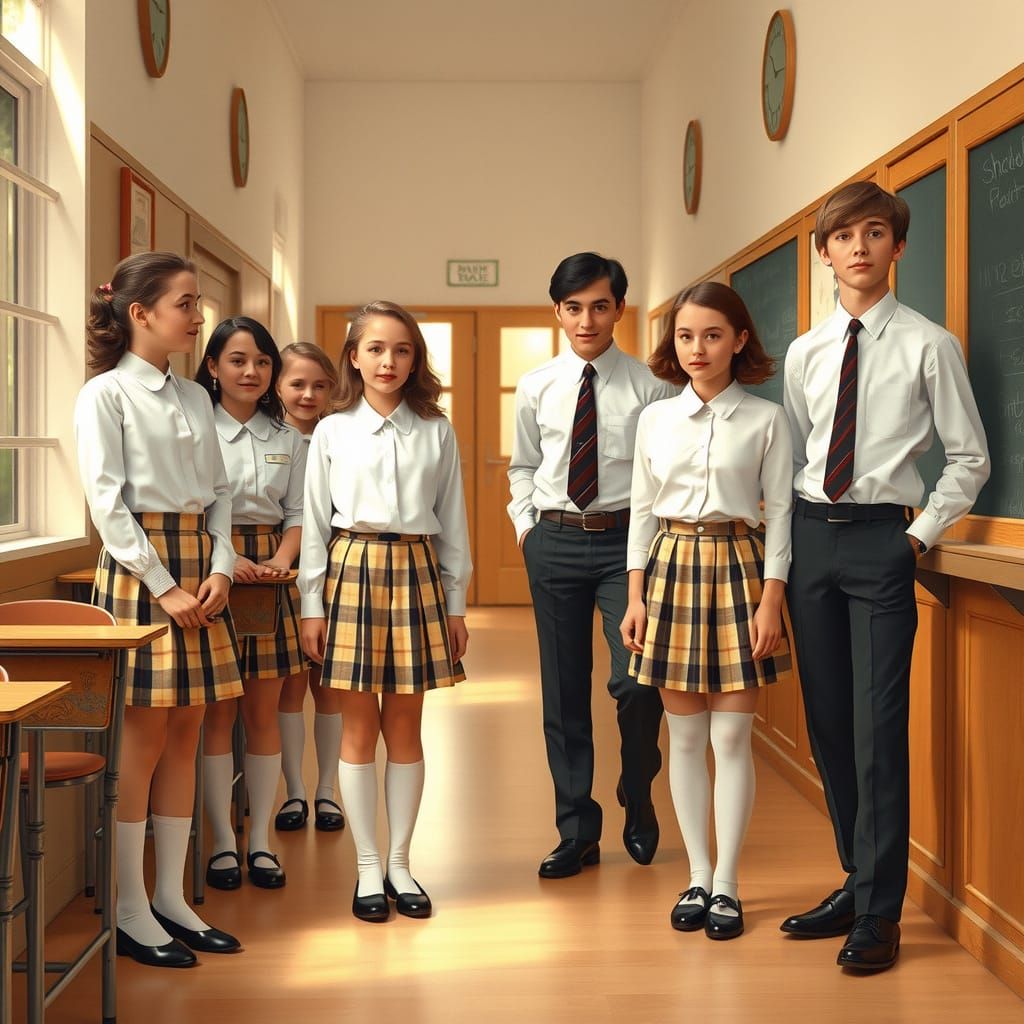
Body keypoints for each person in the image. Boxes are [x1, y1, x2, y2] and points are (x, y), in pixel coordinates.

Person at [780, 181, 990, 970]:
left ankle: (881, 913)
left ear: (898, 249)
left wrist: (918, 538)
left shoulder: (930, 345)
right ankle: (854, 878)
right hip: (810, 541)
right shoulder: (804, 352)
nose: (859, 247)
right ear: (824, 252)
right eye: (844, 235)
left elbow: (970, 457)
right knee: (829, 727)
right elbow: (801, 454)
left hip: (881, 546)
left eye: (875, 233)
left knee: (877, 732)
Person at [74, 252, 242, 968]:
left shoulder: (197, 397)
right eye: (186, 302)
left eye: (198, 301)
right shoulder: (105, 396)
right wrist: (163, 584)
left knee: (189, 731)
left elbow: (221, 492)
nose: (197, 314)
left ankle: (171, 898)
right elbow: (107, 505)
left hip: (198, 566)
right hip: (143, 571)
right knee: (139, 746)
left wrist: (222, 568)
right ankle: (130, 907)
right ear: (140, 313)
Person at [620, 281, 792, 940]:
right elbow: (640, 511)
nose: (698, 348)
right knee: (686, 739)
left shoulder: (767, 419)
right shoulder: (655, 420)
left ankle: (728, 886)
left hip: (741, 572)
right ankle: (696, 875)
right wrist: (634, 596)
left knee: (731, 738)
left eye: (713, 335)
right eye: (686, 336)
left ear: (740, 340)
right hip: (668, 572)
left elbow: (781, 518)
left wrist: (771, 601)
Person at [299, 300, 470, 922]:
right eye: (375, 348)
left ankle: (401, 862)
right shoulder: (331, 430)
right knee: (356, 730)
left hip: (418, 573)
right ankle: (367, 866)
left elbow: (454, 522)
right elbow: (314, 524)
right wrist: (311, 604)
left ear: (415, 358)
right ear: (353, 356)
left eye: (401, 349)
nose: (388, 361)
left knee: (405, 728)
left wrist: (456, 603)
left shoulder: (436, 429)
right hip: (351, 570)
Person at [507, 252, 676, 879]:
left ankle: (637, 787)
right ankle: (576, 828)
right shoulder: (536, 386)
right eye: (574, 307)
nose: (587, 319)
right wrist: (527, 528)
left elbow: (662, 476)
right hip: (553, 541)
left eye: (600, 306)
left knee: (636, 681)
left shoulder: (651, 386)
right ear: (558, 311)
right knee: (564, 690)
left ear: (619, 310)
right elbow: (522, 466)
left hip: (627, 547)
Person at [196, 317, 308, 891]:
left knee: (261, 713)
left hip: (270, 574)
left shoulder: (288, 439)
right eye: (237, 360)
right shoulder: (194, 427)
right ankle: (221, 843)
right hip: (208, 570)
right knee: (217, 713)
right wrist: (226, 558)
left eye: (262, 362)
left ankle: (260, 842)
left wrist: (282, 560)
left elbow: (297, 513)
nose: (251, 371)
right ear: (212, 367)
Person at [274, 342, 346, 834]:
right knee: (288, 686)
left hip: (336, 573)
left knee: (329, 686)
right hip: (279, 574)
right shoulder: (269, 437)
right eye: (297, 384)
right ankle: (293, 791)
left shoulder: (340, 435)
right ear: (278, 385)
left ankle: (327, 791)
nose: (308, 394)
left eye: (320, 385)